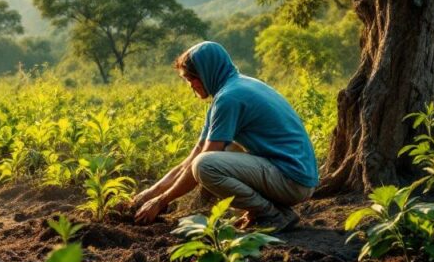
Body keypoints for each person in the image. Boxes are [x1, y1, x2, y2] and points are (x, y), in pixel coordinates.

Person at [130, 41, 317, 231]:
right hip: (291, 175)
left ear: (206, 73)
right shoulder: (233, 88)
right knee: (219, 153)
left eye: (191, 78)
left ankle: (270, 215)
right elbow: (194, 154)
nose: (191, 85)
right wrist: (149, 194)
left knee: (205, 165)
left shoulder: (229, 98)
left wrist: (161, 202)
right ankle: (273, 211)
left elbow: (201, 162)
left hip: (292, 181)